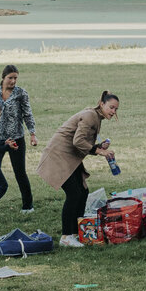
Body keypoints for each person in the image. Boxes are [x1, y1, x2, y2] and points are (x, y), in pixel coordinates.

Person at [37, 92, 120, 248]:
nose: (114, 111)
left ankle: (77, 232)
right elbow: (78, 141)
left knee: (83, 191)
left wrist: (97, 148)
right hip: (59, 156)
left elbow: (82, 144)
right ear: (101, 104)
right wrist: (101, 152)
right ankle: (66, 236)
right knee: (74, 193)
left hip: (69, 158)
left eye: (116, 109)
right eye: (111, 107)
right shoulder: (90, 116)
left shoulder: (96, 116)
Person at [0, 64, 37, 217]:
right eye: (10, 78)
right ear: (3, 78)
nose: (13, 81)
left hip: (16, 139)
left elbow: (27, 114)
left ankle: (28, 205)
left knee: (20, 172)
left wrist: (32, 133)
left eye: (16, 78)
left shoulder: (21, 93)